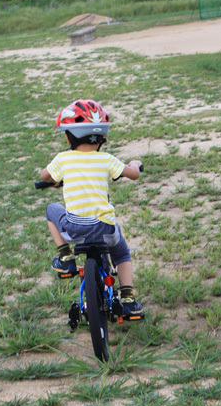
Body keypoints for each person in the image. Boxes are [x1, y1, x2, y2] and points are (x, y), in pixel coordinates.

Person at [39, 99, 143, 316]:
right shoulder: (106, 159)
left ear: (68, 136)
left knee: (51, 209)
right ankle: (128, 298)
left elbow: (44, 176)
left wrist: (54, 179)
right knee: (122, 253)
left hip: (74, 230)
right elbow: (133, 174)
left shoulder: (63, 159)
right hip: (104, 229)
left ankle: (66, 257)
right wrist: (134, 165)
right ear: (101, 138)